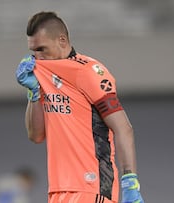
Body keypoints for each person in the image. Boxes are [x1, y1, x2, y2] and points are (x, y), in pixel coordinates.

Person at [15, 11, 144, 203]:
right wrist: (33, 94)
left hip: (92, 187)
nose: (37, 57)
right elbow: (36, 135)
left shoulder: (89, 72)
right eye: (33, 50)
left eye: (42, 49)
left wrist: (130, 181)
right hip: (58, 190)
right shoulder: (42, 77)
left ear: (62, 41)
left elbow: (123, 128)